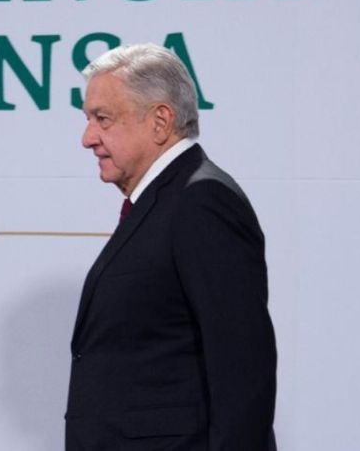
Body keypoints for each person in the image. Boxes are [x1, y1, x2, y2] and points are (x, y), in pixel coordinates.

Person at [66, 44, 277, 450]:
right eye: (88, 119)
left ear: (160, 121)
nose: (87, 138)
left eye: (102, 119)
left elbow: (243, 364)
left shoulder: (201, 201)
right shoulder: (163, 201)